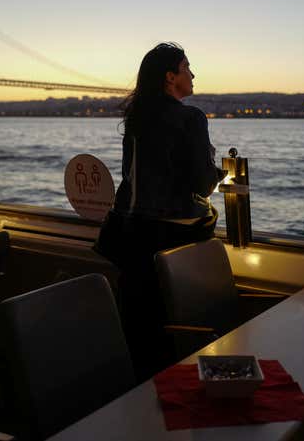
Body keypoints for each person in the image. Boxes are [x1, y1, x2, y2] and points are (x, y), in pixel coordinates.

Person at [95, 42, 225, 381]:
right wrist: (219, 171)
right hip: (172, 237)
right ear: (171, 77)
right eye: (187, 68)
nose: (193, 74)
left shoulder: (136, 118)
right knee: (172, 332)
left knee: (140, 332)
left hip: (129, 237)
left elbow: (132, 177)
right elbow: (202, 185)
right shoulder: (191, 117)